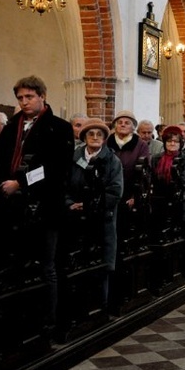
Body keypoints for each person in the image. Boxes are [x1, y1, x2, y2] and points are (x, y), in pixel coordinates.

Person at [0, 76, 74, 333]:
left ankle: (50, 320)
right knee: (17, 263)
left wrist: (21, 183)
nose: (24, 102)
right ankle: (20, 319)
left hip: (45, 205)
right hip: (12, 206)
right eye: (20, 98)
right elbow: (1, 160)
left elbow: (53, 168)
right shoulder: (12, 127)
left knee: (46, 264)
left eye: (29, 97)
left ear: (42, 96)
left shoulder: (59, 127)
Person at [65, 118, 123, 312]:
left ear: (105, 138)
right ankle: (77, 308)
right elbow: (64, 185)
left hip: (101, 219)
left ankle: (101, 307)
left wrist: (90, 205)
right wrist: (70, 203)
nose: (95, 137)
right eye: (91, 134)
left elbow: (115, 191)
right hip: (75, 218)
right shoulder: (74, 158)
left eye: (99, 134)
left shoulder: (112, 160)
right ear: (84, 137)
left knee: (102, 264)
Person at [106, 110, 150, 240]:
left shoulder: (140, 144)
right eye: (120, 122)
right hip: (109, 192)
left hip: (129, 191)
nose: (123, 125)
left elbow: (144, 172)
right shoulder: (107, 142)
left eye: (127, 123)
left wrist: (135, 195)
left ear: (133, 127)